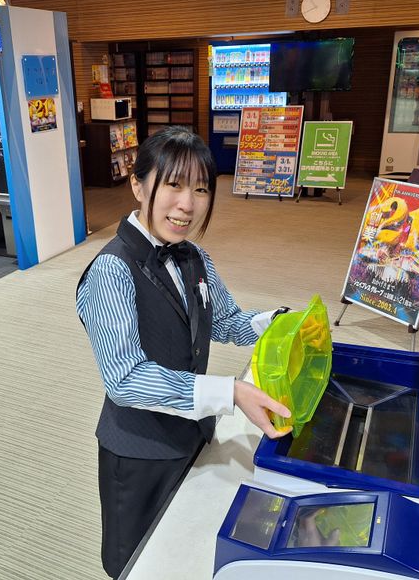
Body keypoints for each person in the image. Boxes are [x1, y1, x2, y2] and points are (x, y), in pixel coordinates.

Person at [76, 126, 292, 579]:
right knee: (136, 561)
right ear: (138, 186)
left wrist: (278, 322)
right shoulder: (111, 270)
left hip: (193, 435)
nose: (187, 205)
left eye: (200, 189)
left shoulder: (194, 256)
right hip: (139, 452)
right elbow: (125, 379)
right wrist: (229, 392)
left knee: (181, 550)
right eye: (173, 185)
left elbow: (227, 321)